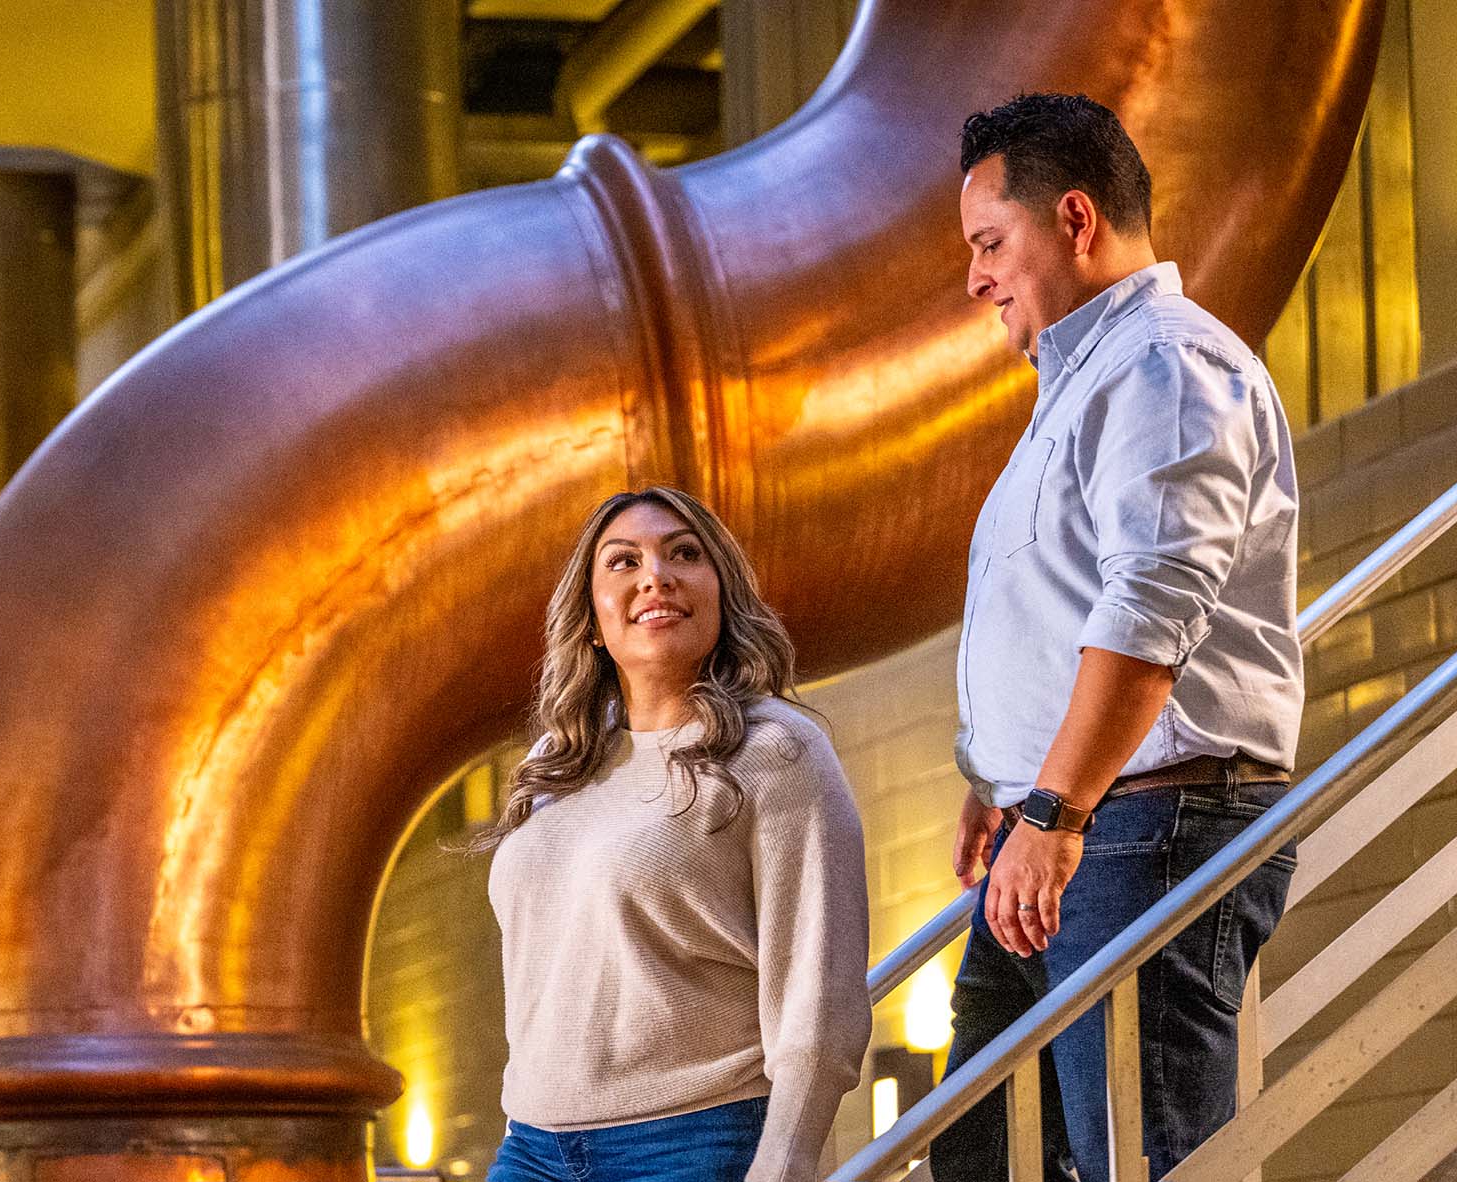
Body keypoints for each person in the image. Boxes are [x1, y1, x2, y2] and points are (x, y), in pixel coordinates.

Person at [932, 93, 1304, 1181]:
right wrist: (1001, 773)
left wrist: (1053, 802)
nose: (975, 278)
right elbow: (1067, 604)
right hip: (1070, 824)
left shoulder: (1166, 367)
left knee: (1140, 1162)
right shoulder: (1085, 383)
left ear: (1077, 220)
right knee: (983, 1159)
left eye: (990, 244)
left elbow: (1151, 608)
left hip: (1137, 827)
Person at [469, 485, 870, 1182]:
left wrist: (786, 1160)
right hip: (532, 1147)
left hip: (692, 1141)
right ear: (592, 619)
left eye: (685, 554)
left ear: (721, 593)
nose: (656, 574)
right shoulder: (555, 763)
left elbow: (819, 988)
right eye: (623, 562)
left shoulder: (775, 749)